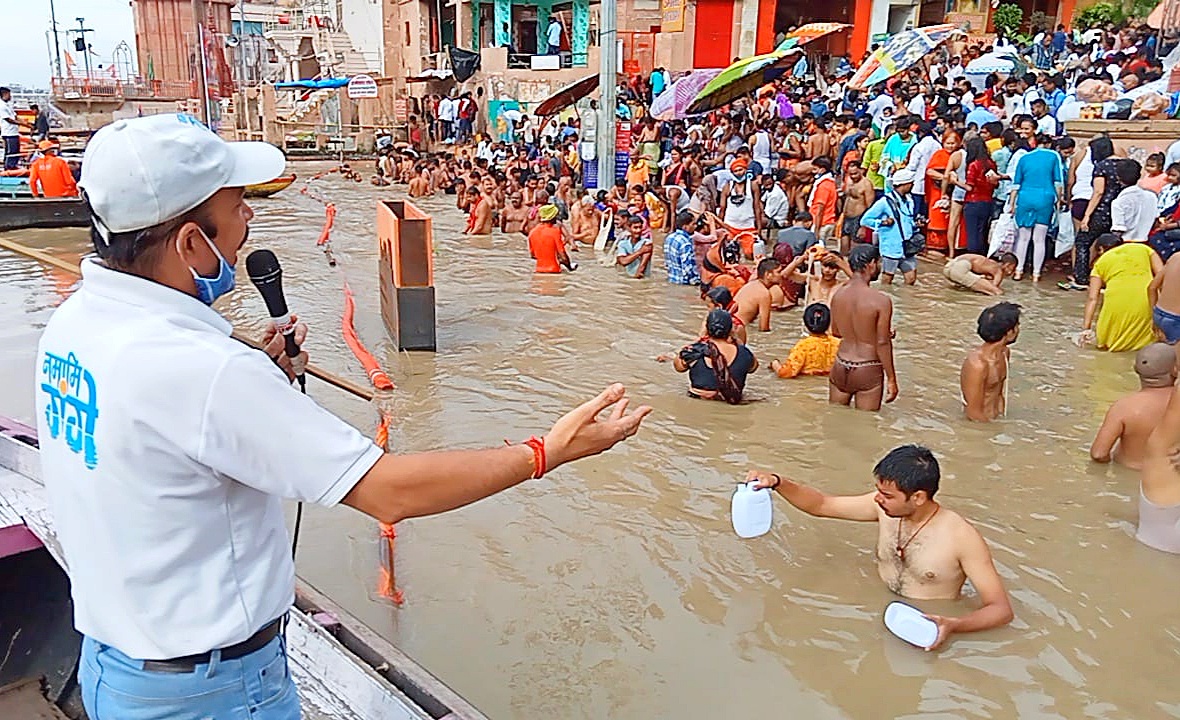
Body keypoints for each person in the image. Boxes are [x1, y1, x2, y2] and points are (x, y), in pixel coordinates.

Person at [39, 113, 650, 720]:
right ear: (191, 244)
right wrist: (547, 451)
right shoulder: (208, 371)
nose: (250, 220)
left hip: (114, 668)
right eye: (236, 210)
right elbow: (388, 493)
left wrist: (265, 381)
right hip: (212, 692)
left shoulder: (71, 326)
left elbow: (156, 445)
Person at [746, 445, 1013, 650]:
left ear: (918, 497)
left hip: (925, 628)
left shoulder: (961, 537)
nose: (878, 499)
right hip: (880, 611)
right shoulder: (883, 509)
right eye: (878, 491)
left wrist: (953, 625)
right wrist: (778, 482)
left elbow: (1000, 609)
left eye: (887, 495)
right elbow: (822, 505)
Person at [829, 244, 898, 411]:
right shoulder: (881, 301)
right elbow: (882, 343)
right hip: (867, 368)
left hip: (840, 365)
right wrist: (891, 379)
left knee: (834, 424)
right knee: (867, 427)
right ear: (871, 264)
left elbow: (836, 332)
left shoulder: (838, 295)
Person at [1091, 343, 1177, 470]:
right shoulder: (1177, 403)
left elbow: (1099, 454)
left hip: (1127, 476)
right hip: (1168, 478)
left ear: (1135, 369)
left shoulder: (1123, 407)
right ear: (1175, 370)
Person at [1081, 233, 1162, 352]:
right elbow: (1162, 276)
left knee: (1110, 348)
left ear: (1101, 249)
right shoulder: (1143, 249)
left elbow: (1093, 298)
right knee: (1147, 344)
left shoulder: (1099, 263)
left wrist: (1086, 328)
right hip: (1146, 300)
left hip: (1115, 305)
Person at [671, 308, 757, 402]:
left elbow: (678, 367)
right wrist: (738, 341)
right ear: (730, 330)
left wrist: (699, 339)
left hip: (697, 401)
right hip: (729, 401)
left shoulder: (695, 351)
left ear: (707, 328)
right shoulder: (744, 353)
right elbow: (753, 368)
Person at [1008, 138, 1063, 282]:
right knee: (1039, 239)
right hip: (1045, 198)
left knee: (1023, 238)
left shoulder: (1024, 158)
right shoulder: (1053, 156)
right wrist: (1059, 201)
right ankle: (1036, 274)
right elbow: (1058, 182)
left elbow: (1016, 185)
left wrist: (1012, 204)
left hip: (1025, 197)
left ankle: (1018, 270)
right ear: (1049, 144)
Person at [961, 302, 1021, 422]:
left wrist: (1002, 421)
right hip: (980, 425)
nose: (1019, 330)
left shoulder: (1004, 353)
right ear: (1009, 332)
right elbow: (973, 413)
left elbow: (999, 394)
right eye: (1017, 325)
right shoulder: (977, 365)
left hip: (994, 420)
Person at [860, 168, 920, 286]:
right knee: (887, 278)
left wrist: (916, 224)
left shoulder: (909, 200)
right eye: (911, 183)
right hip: (891, 247)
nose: (912, 185)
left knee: (911, 278)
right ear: (904, 184)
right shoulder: (884, 202)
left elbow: (907, 220)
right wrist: (882, 222)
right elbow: (865, 220)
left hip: (907, 246)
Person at [771, 303, 841, 378]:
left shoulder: (803, 346)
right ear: (829, 322)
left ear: (805, 323)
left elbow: (786, 373)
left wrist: (775, 364)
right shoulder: (839, 344)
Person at [961, 136, 999, 256]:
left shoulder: (973, 165)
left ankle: (972, 258)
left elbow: (970, 187)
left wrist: (955, 181)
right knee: (981, 232)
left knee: (972, 233)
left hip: (973, 201)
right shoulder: (990, 163)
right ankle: (981, 257)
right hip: (987, 201)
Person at [733, 258, 782, 333]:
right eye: (778, 272)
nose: (781, 275)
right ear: (768, 275)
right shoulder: (764, 294)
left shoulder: (752, 284)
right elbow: (764, 328)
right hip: (737, 329)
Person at [943, 252, 1018, 295]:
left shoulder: (990, 263)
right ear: (1007, 265)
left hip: (949, 266)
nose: (1012, 271)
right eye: (1013, 268)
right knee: (998, 292)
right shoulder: (998, 270)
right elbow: (994, 287)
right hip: (960, 268)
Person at [528, 204, 575, 273]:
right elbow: (563, 256)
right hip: (554, 271)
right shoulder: (555, 232)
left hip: (538, 272)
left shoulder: (532, 232)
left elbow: (533, 255)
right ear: (552, 217)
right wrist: (569, 267)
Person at [840, 163, 875, 253]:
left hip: (858, 217)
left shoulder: (866, 184)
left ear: (860, 170)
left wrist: (864, 226)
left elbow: (870, 206)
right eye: (850, 174)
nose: (853, 176)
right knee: (843, 244)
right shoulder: (848, 180)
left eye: (855, 173)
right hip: (847, 216)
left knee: (855, 246)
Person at [664, 210, 702, 285]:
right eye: (693, 224)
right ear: (685, 227)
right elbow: (688, 268)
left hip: (672, 279)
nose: (696, 226)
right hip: (683, 282)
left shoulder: (669, 237)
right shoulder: (685, 243)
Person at [1149, 249, 1180, 343]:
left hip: (1159, 313)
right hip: (1176, 320)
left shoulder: (1175, 256)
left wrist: (1153, 316)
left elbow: (1151, 288)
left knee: (1166, 355)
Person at [615, 214, 653, 279]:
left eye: (640, 227)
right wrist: (640, 251)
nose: (638, 230)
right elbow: (623, 262)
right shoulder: (622, 244)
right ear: (629, 228)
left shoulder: (647, 243)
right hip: (628, 277)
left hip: (642, 279)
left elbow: (641, 268)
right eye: (635, 228)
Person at [0, 87, 30, 170]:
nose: (10, 96)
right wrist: (22, 124)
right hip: (8, 133)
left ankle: (13, 165)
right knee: (11, 152)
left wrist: (26, 123)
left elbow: (15, 117)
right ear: (4, 94)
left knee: (16, 150)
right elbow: (9, 120)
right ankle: (9, 167)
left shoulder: (8, 105)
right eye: (9, 94)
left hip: (14, 132)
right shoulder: (1, 106)